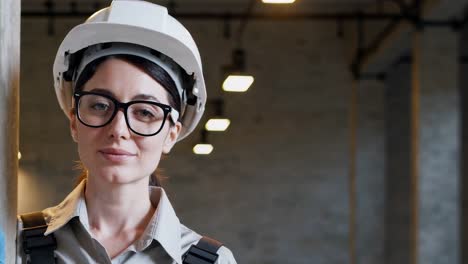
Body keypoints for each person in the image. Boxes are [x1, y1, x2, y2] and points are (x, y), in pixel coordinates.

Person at [16, 0, 237, 263]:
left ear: (171, 134)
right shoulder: (14, 244)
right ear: (75, 121)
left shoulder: (213, 261)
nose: (118, 129)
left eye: (145, 112)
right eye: (100, 105)